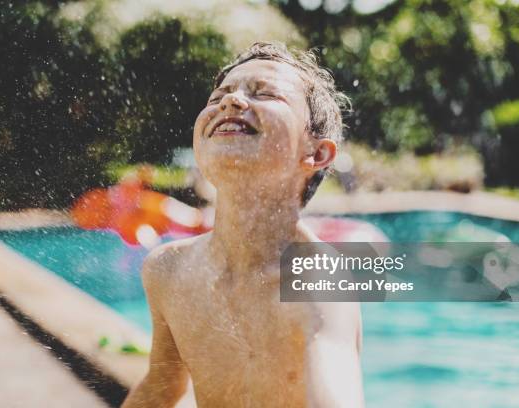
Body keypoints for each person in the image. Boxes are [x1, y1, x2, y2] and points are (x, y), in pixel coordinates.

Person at [122, 41, 363, 407]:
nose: (229, 102)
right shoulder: (168, 270)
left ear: (315, 153)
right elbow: (160, 388)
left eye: (265, 94)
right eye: (219, 95)